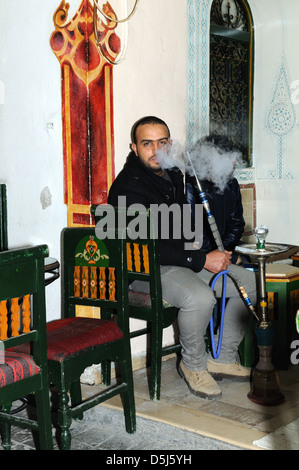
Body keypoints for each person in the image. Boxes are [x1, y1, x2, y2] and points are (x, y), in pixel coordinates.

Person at [108, 116, 256, 400]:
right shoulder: (129, 188)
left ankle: (223, 357)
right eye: (147, 143)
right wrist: (202, 260)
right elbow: (153, 247)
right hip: (144, 270)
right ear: (134, 147)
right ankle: (193, 366)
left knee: (247, 284)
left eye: (162, 142)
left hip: (177, 262)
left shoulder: (173, 174)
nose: (155, 150)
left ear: (170, 144)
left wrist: (215, 252)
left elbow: (183, 228)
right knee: (200, 298)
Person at [185, 134, 245, 265]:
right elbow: (194, 233)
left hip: (225, 250)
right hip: (202, 255)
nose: (234, 164)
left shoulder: (231, 184)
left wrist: (225, 252)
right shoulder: (191, 185)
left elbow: (236, 225)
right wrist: (222, 255)